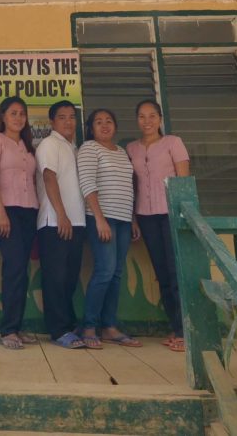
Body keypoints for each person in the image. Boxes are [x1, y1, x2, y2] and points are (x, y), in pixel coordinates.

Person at [126, 99, 189, 353]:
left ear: (160, 119)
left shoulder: (173, 143)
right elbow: (131, 185)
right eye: (142, 116)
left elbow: (183, 181)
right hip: (146, 216)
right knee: (162, 273)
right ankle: (175, 328)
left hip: (171, 213)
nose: (147, 121)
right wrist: (132, 218)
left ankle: (186, 332)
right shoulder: (131, 148)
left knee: (177, 274)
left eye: (152, 116)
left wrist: (183, 214)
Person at [77, 108, 141, 349]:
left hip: (123, 219)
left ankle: (110, 326)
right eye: (98, 122)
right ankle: (89, 326)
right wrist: (100, 218)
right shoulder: (89, 148)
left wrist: (133, 218)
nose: (104, 125)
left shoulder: (121, 151)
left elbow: (128, 186)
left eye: (109, 121)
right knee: (104, 271)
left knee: (116, 273)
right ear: (90, 129)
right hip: (101, 219)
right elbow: (87, 183)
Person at [0, 96, 38, 350]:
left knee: (22, 268)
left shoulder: (28, 146)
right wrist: (1, 212)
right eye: (13, 113)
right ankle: (7, 330)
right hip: (7, 210)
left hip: (30, 211)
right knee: (14, 266)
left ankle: (16, 326)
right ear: (3, 116)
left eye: (22, 113)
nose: (18, 118)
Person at [35, 100, 87, 349]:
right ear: (53, 122)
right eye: (62, 117)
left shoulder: (74, 147)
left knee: (69, 278)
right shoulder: (49, 144)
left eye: (72, 117)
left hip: (77, 221)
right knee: (55, 278)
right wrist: (61, 215)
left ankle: (69, 324)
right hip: (55, 222)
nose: (68, 121)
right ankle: (58, 330)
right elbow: (48, 176)